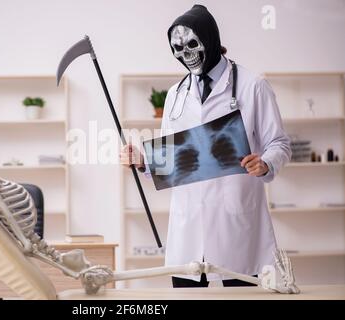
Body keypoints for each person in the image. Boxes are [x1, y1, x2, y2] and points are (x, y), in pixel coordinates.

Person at [120, 4, 291, 288]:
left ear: (210, 41)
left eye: (191, 44)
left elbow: (280, 143)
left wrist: (266, 162)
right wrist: (143, 161)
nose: (185, 54)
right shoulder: (176, 94)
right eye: (177, 47)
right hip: (188, 226)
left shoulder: (252, 86)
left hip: (236, 222)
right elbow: (173, 158)